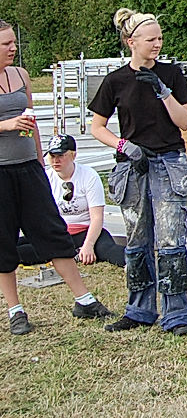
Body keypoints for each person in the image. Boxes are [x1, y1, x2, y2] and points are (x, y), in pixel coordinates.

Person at [90, 9, 187, 335]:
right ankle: (139, 310)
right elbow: (97, 127)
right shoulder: (115, 81)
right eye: (151, 39)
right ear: (131, 41)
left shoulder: (171, 74)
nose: (158, 44)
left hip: (169, 164)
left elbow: (185, 122)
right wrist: (123, 146)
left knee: (170, 239)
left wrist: (163, 91)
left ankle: (176, 313)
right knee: (137, 241)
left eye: (160, 38)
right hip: (134, 167)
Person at [1, 19, 112, 336]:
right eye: (7, 44)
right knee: (4, 243)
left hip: (29, 170)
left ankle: (85, 300)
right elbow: (14, 123)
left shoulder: (20, 76)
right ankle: (15, 311)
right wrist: (7, 125)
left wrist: (39, 161)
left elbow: (32, 122)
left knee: (52, 232)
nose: (13, 48)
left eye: (13, 42)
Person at [17, 135, 125, 268]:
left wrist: (88, 245)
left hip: (85, 231)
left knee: (108, 250)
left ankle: (137, 263)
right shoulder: (46, 177)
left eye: (61, 156)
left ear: (73, 155)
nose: (56, 160)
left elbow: (97, 217)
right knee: (15, 249)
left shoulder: (89, 176)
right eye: (52, 156)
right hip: (57, 234)